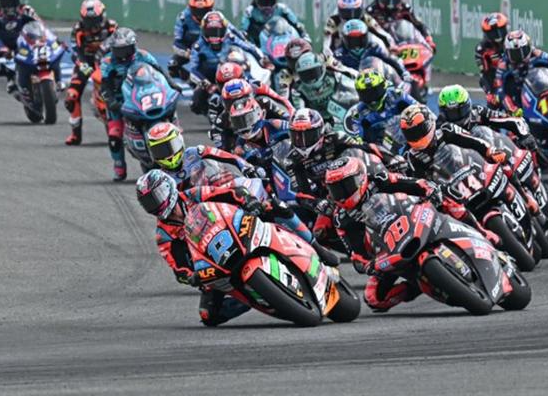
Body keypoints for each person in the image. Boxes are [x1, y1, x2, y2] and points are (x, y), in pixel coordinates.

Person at [136, 171, 335, 326]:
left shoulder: (195, 194)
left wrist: (248, 201)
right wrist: (191, 276)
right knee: (209, 316)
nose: (155, 204)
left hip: (238, 231)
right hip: (216, 263)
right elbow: (178, 266)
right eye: (149, 202)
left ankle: (316, 247)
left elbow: (229, 193)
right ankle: (265, 298)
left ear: (169, 188)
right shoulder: (163, 235)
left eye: (157, 196)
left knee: (276, 206)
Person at [324, 155, 442, 311]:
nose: (342, 193)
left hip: (414, 220)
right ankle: (417, 286)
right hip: (390, 249)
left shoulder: (379, 179)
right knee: (373, 298)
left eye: (346, 185)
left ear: (360, 178)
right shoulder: (341, 218)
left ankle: (478, 230)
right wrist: (367, 265)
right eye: (336, 189)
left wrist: (428, 189)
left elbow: (412, 184)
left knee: (448, 202)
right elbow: (355, 253)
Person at [99, 28, 181, 181]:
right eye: (119, 50)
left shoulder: (143, 55)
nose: (122, 55)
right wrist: (111, 101)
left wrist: (172, 85)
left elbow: (160, 72)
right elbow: (105, 86)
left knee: (168, 108)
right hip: (120, 101)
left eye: (125, 50)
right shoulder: (107, 62)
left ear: (133, 46)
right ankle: (119, 165)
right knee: (114, 136)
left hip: (144, 94)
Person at [186, 10, 264, 115]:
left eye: (217, 31)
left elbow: (249, 47)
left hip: (230, 71)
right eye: (211, 32)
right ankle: (212, 113)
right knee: (195, 104)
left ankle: (258, 100)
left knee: (255, 84)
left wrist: (262, 59)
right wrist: (207, 84)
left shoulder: (230, 37)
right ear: (204, 31)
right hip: (210, 77)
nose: (215, 36)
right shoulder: (198, 46)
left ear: (224, 30)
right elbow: (193, 70)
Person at [64, 0, 117, 145]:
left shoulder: (112, 27)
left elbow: (121, 45)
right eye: (88, 21)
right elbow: (75, 53)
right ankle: (75, 134)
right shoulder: (78, 30)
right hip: (86, 63)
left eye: (95, 20)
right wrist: (87, 68)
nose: (92, 25)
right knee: (71, 96)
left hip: (108, 62)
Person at [145, 121, 259, 187]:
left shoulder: (195, 152)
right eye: (160, 151)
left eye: (170, 146)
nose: (168, 156)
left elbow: (224, 155)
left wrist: (245, 166)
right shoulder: (161, 179)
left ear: (179, 141)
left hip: (219, 193)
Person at [493, 29, 548, 114]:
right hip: (519, 99)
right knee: (496, 99)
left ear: (529, 47)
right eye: (514, 54)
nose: (520, 57)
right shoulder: (503, 65)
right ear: (507, 53)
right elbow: (500, 91)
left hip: (544, 92)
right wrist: (513, 109)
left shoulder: (538, 54)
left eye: (523, 51)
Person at [436, 84, 538, 152]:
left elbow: (507, 119)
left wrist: (525, 135)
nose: (456, 116)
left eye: (459, 111)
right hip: (463, 168)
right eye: (451, 113)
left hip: (493, 154)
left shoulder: (477, 112)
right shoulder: (439, 127)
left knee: (480, 130)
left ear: (468, 105)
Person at [208, 77, 294, 151]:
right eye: (231, 102)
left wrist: (291, 120)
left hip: (274, 139)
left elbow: (286, 116)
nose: (238, 106)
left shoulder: (264, 102)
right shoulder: (221, 120)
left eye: (242, 99)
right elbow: (220, 148)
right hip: (247, 148)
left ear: (250, 95)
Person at [346, 68, 417, 145]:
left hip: (410, 138)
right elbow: (357, 140)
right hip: (382, 150)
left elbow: (420, 109)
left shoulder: (397, 95)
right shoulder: (358, 114)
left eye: (375, 92)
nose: (372, 99)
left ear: (384, 86)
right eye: (366, 94)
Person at [331, 19, 410, 84]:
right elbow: (335, 72)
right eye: (353, 41)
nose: (356, 45)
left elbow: (390, 59)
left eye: (359, 40)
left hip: (376, 82)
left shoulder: (374, 45)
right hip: (352, 87)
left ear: (366, 37)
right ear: (345, 40)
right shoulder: (339, 53)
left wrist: (403, 72)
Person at [365, 0, 435, 50]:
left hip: (402, 45)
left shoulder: (405, 9)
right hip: (379, 47)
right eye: (387, 0)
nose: (391, 4)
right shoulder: (372, 11)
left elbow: (419, 25)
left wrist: (428, 39)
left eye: (394, 0)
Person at [290, 52, 356, 121]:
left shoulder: (334, 75)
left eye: (313, 72)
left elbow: (354, 82)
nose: (311, 78)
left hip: (342, 114)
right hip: (317, 120)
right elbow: (300, 112)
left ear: (322, 68)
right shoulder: (298, 89)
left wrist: (339, 68)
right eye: (306, 74)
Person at [238, 0, 307, 47]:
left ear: (276, 1)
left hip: (281, 45)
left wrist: (305, 38)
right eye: (263, 2)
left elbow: (297, 25)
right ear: (256, 1)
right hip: (257, 46)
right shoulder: (250, 12)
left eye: (270, 2)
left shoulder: (283, 10)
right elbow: (243, 31)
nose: (267, 7)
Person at [323, 0, 395, 54]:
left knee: (376, 41)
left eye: (355, 12)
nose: (351, 17)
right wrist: (329, 53)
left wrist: (391, 46)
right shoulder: (333, 21)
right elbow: (327, 41)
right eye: (346, 13)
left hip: (363, 51)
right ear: (340, 11)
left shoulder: (366, 18)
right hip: (341, 53)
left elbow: (382, 33)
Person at [169, 0, 215, 79]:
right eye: (197, 10)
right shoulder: (183, 18)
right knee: (172, 65)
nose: (200, 15)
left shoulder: (216, 18)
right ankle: (191, 83)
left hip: (209, 52)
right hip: (189, 50)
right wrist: (186, 52)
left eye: (204, 11)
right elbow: (177, 42)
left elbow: (228, 32)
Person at [474, 13, 509, 108]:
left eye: (500, 30)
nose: (498, 35)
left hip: (514, 77)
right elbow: (484, 75)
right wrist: (489, 93)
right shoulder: (482, 49)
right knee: (493, 105)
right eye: (493, 33)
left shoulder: (513, 41)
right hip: (495, 83)